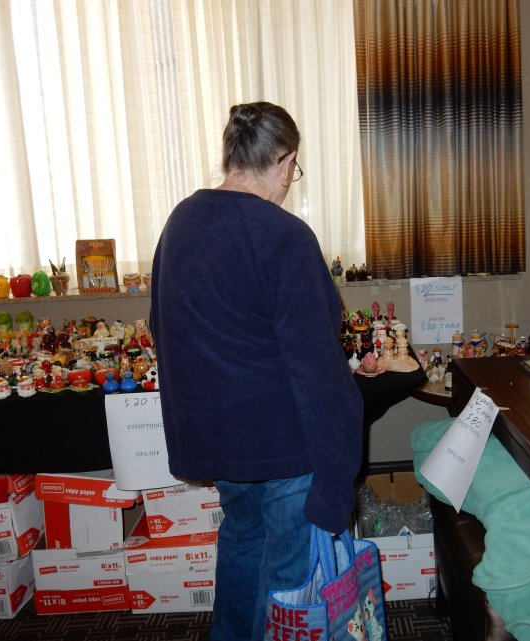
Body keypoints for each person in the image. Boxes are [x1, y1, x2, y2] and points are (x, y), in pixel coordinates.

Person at [149, 102, 364, 641]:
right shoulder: (285, 235)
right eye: (295, 169)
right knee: (289, 590)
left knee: (242, 548)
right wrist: (338, 478)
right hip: (285, 449)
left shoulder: (180, 223)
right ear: (285, 162)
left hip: (222, 447)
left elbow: (163, 329)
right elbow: (318, 371)